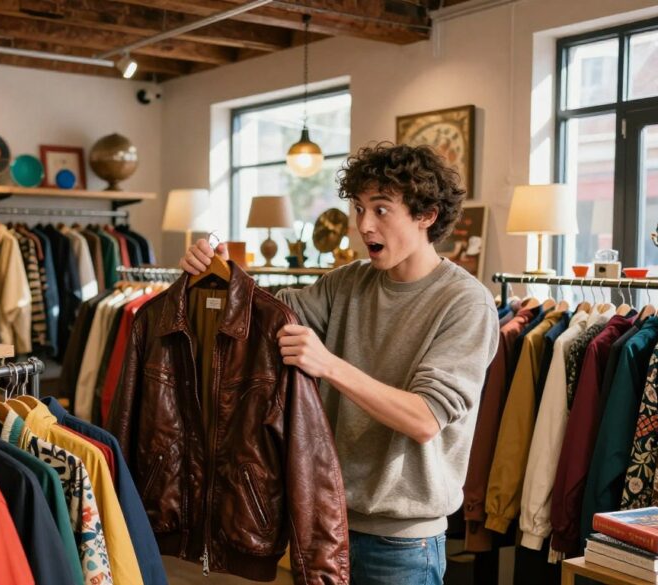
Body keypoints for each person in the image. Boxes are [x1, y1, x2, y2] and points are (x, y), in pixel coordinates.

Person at [180, 142, 500, 584]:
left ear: (427, 215)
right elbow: (262, 316)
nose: (364, 225)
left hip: (402, 543)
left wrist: (328, 365)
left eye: (382, 210)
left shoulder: (465, 303)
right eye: (359, 208)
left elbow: (425, 418)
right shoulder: (347, 282)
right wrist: (214, 273)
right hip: (324, 523)